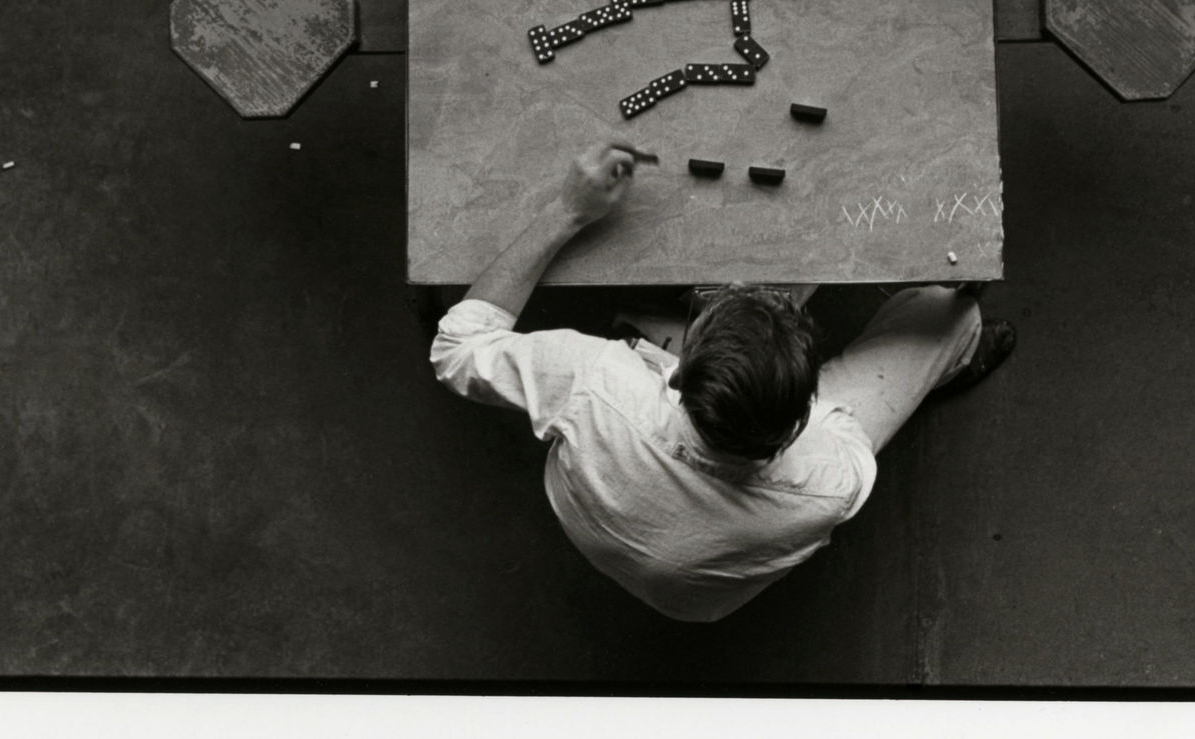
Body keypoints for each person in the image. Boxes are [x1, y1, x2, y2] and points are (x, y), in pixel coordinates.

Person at [429, 141, 1015, 622]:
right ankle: (955, 354)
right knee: (951, 314)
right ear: (804, 413)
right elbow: (839, 431)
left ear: (677, 369)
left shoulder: (598, 381)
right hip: (700, 596)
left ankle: (656, 321)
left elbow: (457, 347)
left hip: (599, 524)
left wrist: (568, 209)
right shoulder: (831, 479)